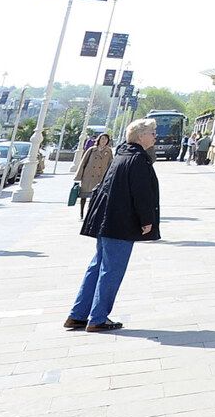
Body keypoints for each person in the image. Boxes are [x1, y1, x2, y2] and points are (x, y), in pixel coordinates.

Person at [63, 118, 159, 333]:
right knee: (111, 270)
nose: (155, 135)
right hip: (120, 223)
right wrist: (146, 221)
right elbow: (142, 195)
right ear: (140, 136)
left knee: (97, 267)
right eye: (152, 132)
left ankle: (77, 315)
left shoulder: (122, 156)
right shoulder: (137, 160)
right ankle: (97, 318)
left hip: (106, 220)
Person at [72, 133, 113, 218]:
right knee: (84, 195)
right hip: (88, 176)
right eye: (102, 139)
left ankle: (90, 214)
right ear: (99, 140)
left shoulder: (108, 151)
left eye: (106, 139)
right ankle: (81, 213)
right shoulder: (91, 150)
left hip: (100, 177)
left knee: (95, 197)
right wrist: (78, 176)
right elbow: (83, 163)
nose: (104, 141)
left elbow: (111, 164)